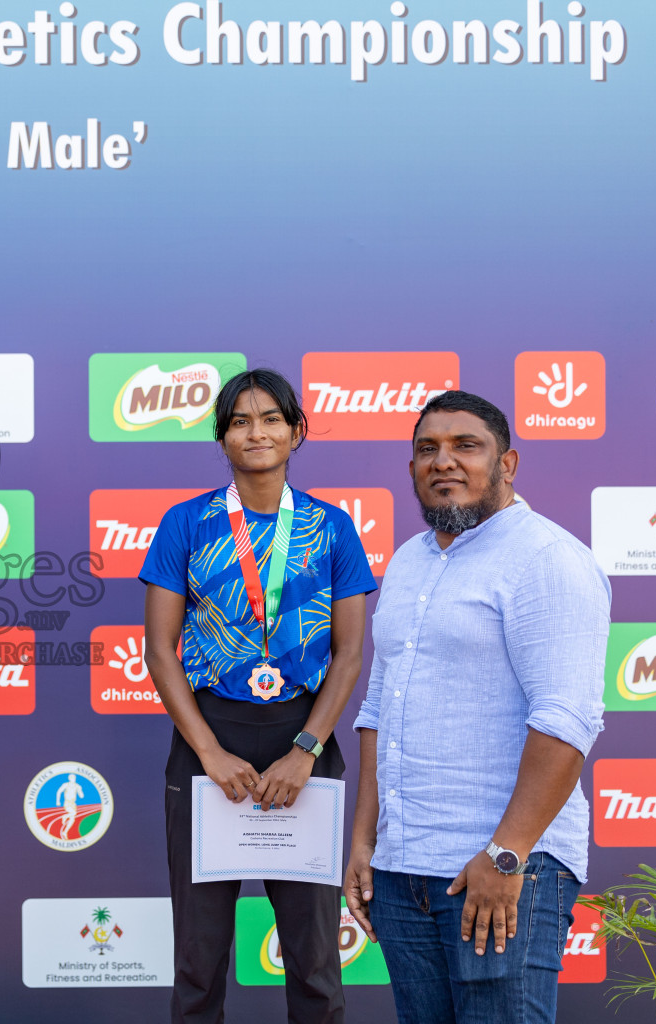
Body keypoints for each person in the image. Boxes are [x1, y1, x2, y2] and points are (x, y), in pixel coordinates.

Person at [343, 390, 608, 1024]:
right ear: (410, 468)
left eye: (467, 446)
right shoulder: (408, 561)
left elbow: (565, 722)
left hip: (500, 870)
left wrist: (506, 854)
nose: (444, 462)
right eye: (427, 449)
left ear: (507, 463)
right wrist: (364, 839)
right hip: (403, 868)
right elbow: (382, 705)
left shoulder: (548, 559)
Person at [141, 368, 376, 1024]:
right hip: (208, 740)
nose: (256, 432)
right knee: (199, 957)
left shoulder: (332, 528)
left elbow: (350, 654)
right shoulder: (187, 523)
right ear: (222, 440)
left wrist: (306, 748)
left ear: (297, 431)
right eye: (239, 422)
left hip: (304, 739)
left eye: (271, 418)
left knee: (313, 960)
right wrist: (210, 753)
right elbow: (160, 651)